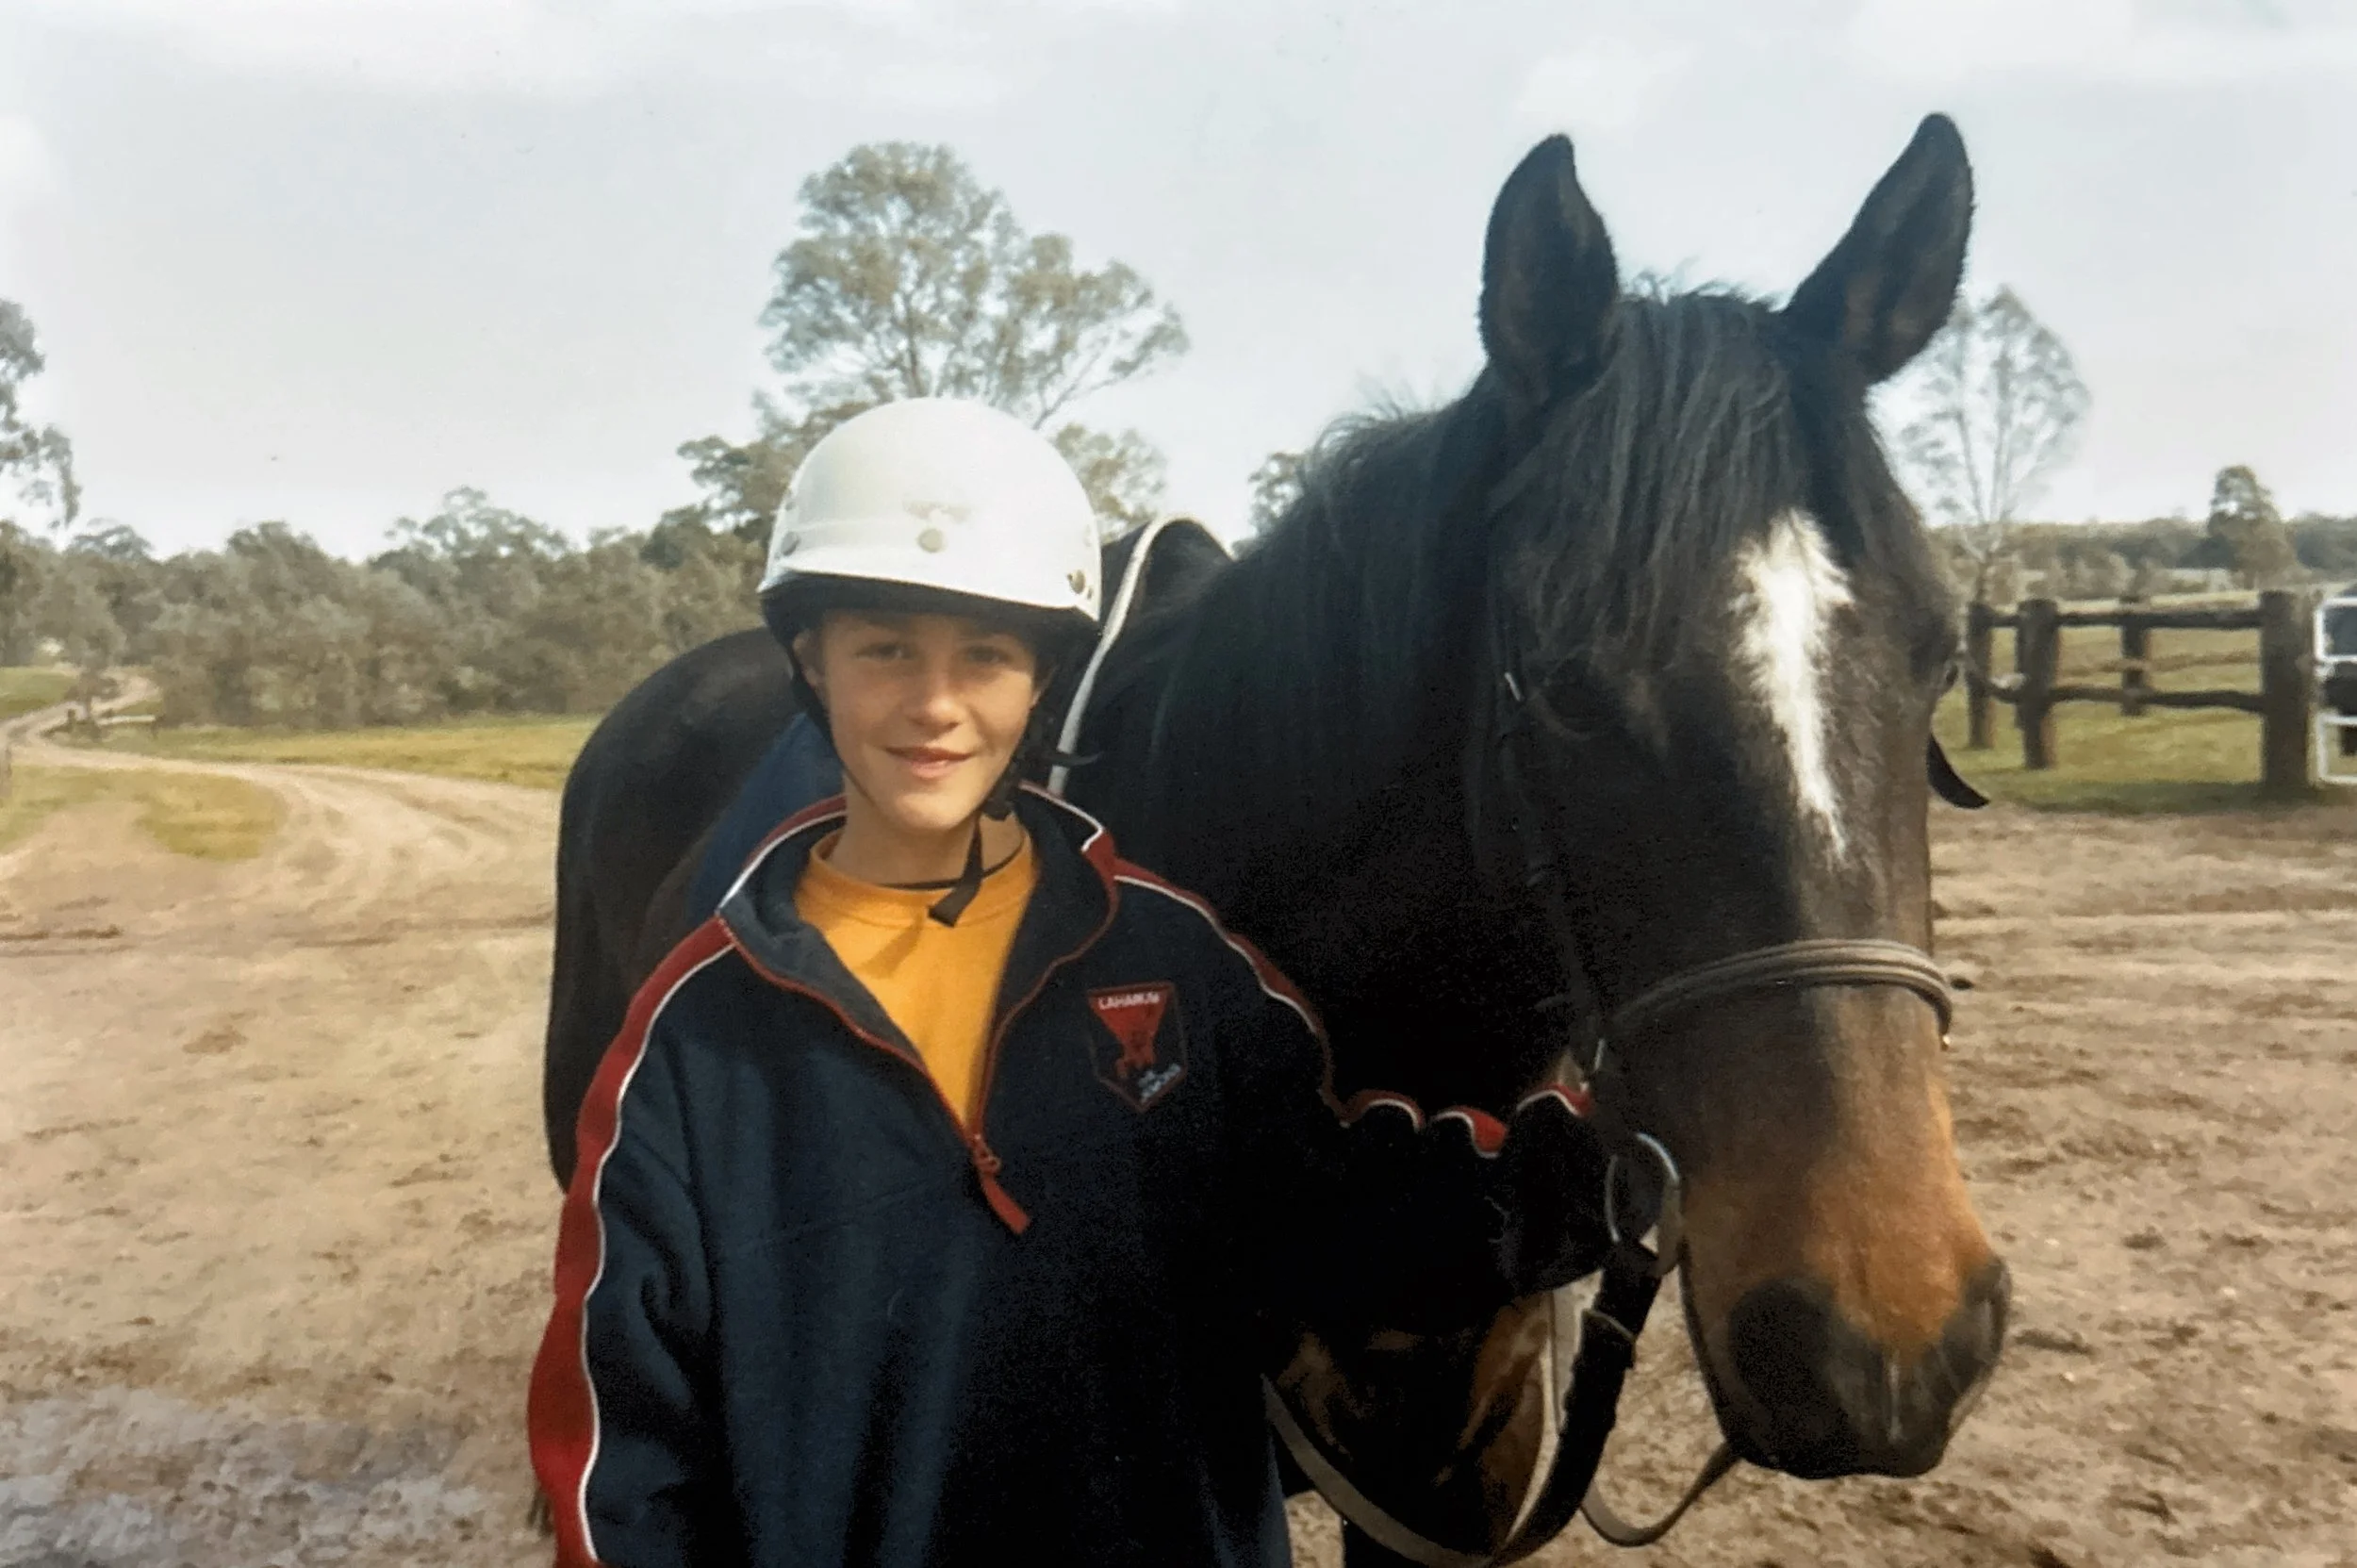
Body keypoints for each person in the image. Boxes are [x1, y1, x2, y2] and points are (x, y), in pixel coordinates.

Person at [527, 398, 1607, 1568]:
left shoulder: (1178, 963)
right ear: (807, 658)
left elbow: (1341, 1215)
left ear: (1042, 679)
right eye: (884, 645)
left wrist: (1598, 1177)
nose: (935, 704)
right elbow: (625, 1448)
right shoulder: (691, 1042)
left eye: (986, 654)